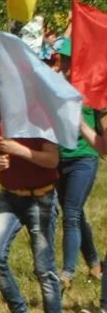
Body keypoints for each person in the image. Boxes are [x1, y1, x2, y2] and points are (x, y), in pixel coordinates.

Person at [0, 108, 65, 313]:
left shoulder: (41, 111)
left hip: (41, 199)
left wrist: (21, 151)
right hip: (9, 198)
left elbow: (52, 159)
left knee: (44, 268)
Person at [44, 38, 100, 293]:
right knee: (77, 214)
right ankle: (95, 263)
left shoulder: (94, 90)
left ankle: (66, 272)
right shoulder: (56, 88)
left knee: (71, 213)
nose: (65, 63)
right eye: (62, 58)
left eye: (70, 58)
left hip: (84, 158)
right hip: (60, 158)